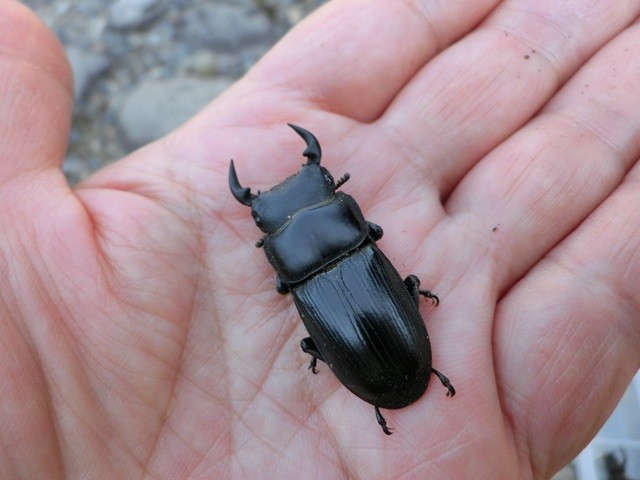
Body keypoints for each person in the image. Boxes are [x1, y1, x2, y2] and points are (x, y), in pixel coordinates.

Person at [1, 0, 639, 478]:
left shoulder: (298, 280)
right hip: (390, 343)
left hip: (375, 349)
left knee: (329, 333)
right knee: (394, 294)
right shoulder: (364, 241)